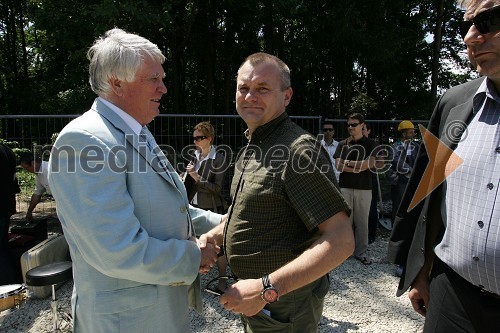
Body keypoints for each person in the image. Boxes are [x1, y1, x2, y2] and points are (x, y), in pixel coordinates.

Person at [47, 28, 221, 333]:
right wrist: (194, 254)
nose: (163, 88)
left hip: (154, 312)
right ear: (117, 83)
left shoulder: (137, 132)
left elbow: (171, 209)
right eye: (153, 78)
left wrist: (228, 222)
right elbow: (116, 249)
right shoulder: (86, 142)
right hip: (125, 322)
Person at [199, 52, 354, 332]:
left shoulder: (298, 150)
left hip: (283, 305)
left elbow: (341, 240)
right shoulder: (251, 148)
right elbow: (251, 212)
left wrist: (265, 290)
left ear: (287, 96)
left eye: (262, 89)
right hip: (258, 300)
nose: (250, 97)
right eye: (243, 88)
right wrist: (216, 234)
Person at [387, 1, 500, 332]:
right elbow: (430, 192)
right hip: (452, 294)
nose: (469, 38)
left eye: (488, 21)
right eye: (464, 25)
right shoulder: (454, 104)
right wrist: (422, 270)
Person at [183, 121, 230, 293]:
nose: (195, 141)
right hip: (193, 204)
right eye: (194, 138)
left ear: (209, 138)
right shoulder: (195, 156)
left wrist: (197, 177)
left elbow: (218, 189)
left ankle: (223, 281)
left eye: (199, 138)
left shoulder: (219, 159)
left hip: (212, 207)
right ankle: (193, 281)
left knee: (219, 247)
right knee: (195, 242)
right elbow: (191, 180)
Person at [334, 113, 378, 265]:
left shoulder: (371, 144)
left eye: (354, 124)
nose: (350, 127)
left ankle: (361, 252)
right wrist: (358, 166)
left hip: (364, 189)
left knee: (362, 222)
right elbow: (338, 166)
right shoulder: (342, 144)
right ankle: (345, 252)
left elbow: (370, 164)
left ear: (362, 125)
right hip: (345, 187)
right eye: (349, 125)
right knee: (346, 222)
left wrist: (348, 163)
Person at [387, 120, 418, 224]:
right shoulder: (394, 147)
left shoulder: (416, 147)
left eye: (413, 132)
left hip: (413, 181)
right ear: (404, 134)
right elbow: (397, 162)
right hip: (400, 181)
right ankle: (395, 230)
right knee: (398, 206)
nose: (413, 134)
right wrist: (412, 170)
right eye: (410, 132)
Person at [0, 142, 20, 284]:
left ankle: (7, 283)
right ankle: (14, 277)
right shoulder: (6, 149)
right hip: (6, 204)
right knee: (3, 244)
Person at [19, 153, 51, 222]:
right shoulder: (38, 174)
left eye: (27, 168)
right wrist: (29, 211)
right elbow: (37, 194)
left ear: (33, 163)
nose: (27, 171)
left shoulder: (50, 170)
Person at [362, 123, 379, 244]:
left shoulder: (374, 145)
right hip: (356, 180)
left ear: (368, 131)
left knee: (371, 207)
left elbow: (379, 163)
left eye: (363, 129)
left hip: (370, 178)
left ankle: (371, 234)